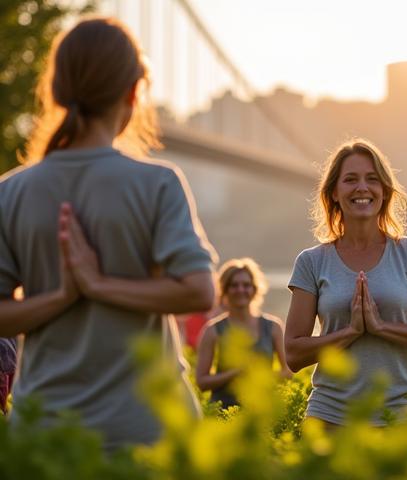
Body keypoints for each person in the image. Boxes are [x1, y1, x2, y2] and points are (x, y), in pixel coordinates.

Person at [0, 18, 216, 449]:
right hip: (149, 431)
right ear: (134, 92)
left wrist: (64, 295)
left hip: (44, 436)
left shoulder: (10, 191)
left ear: (58, 91)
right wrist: (99, 285)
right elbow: (199, 293)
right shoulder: (158, 184)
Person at [285, 138, 407, 427]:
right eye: (350, 180)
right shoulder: (311, 262)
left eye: (372, 179)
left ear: (385, 191)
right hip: (331, 418)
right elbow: (293, 353)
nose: (362, 188)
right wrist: (350, 332)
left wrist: (381, 327)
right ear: (334, 193)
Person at [196, 258, 291, 407]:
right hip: (223, 413)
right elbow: (201, 382)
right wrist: (235, 373)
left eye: (246, 285)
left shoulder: (273, 327)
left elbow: (288, 371)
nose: (241, 290)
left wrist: (260, 377)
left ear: (255, 289)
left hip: (261, 412)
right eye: (234, 285)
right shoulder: (212, 330)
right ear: (225, 290)